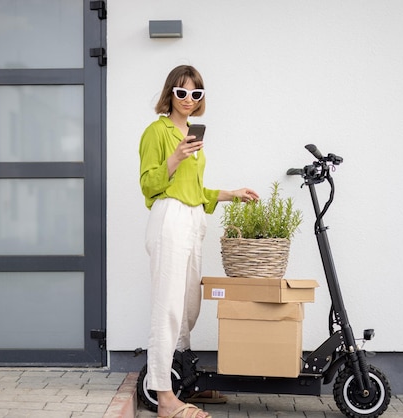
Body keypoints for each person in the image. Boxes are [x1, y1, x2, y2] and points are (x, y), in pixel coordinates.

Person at [139, 65, 259, 418]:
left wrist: (230, 194)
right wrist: (175, 157)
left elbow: (193, 190)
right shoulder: (156, 131)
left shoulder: (193, 133)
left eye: (196, 94)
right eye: (181, 93)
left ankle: (184, 382)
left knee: (189, 307)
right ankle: (164, 398)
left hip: (192, 219)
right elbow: (149, 185)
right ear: (170, 94)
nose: (188, 100)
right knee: (168, 308)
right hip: (169, 218)